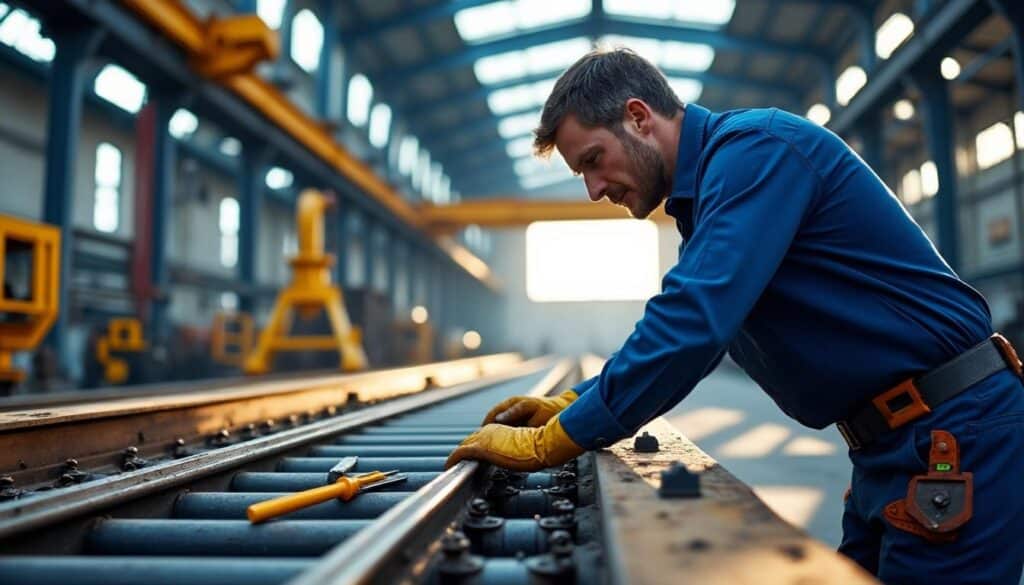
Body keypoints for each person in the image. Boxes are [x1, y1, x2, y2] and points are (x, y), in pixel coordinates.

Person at [444, 48, 1024, 584]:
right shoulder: (712, 196)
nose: (594, 189)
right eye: (582, 174)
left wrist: (560, 437)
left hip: (952, 433)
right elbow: (687, 320)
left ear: (640, 117)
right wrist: (577, 399)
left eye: (594, 160)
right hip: (894, 446)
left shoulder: (756, 152)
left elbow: (694, 325)